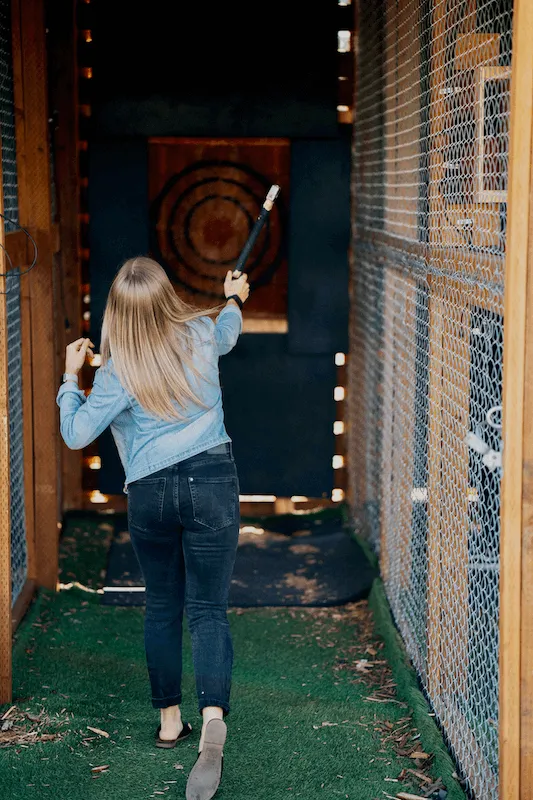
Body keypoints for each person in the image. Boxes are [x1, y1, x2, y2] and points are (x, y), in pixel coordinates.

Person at [56, 256, 250, 800]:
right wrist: (233, 296)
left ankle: (170, 723)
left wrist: (72, 377)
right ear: (167, 298)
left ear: (118, 312)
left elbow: (75, 433)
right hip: (212, 479)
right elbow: (228, 332)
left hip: (151, 493)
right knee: (208, 608)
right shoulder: (199, 332)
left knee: (163, 605)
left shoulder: (117, 371)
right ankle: (213, 713)